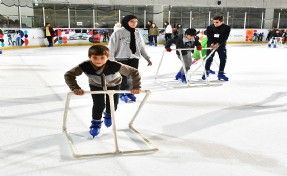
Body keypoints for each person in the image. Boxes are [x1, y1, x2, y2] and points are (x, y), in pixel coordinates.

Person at [64, 45, 141, 138]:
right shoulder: (85, 66)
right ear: (89, 57)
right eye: (95, 57)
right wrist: (75, 88)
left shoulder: (114, 65)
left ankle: (108, 114)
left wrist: (136, 86)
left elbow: (134, 72)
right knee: (98, 104)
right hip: (95, 85)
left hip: (114, 84)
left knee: (113, 104)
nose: (98, 60)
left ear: (107, 57)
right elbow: (69, 75)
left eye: (102, 58)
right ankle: (95, 124)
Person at [108, 15, 152, 103]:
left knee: (131, 77)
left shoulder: (137, 32)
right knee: (122, 77)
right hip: (121, 58)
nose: (134, 23)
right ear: (126, 22)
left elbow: (141, 47)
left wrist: (147, 58)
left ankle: (129, 92)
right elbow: (111, 47)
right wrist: (111, 60)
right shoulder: (118, 33)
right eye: (132, 21)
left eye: (136, 21)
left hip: (134, 58)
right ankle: (121, 93)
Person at [203, 16, 231, 81]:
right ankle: (206, 72)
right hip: (211, 45)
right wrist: (212, 44)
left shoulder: (227, 28)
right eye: (214, 22)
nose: (215, 23)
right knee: (209, 58)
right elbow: (209, 37)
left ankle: (221, 73)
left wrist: (218, 44)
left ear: (222, 22)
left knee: (223, 59)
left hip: (221, 45)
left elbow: (225, 37)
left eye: (217, 22)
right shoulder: (210, 27)